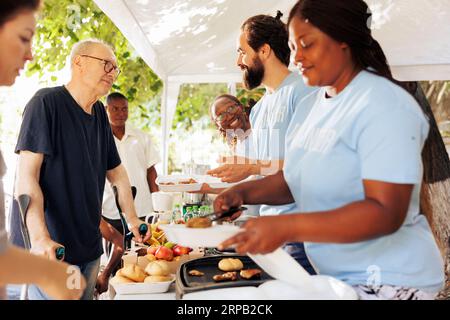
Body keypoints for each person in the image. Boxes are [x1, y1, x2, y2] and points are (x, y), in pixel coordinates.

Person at [216, 0, 445, 300]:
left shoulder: (384, 104)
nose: (296, 58)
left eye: (306, 45)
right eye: (293, 46)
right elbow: (294, 180)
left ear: (343, 42)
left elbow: (387, 211)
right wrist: (243, 194)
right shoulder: (315, 105)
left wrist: (287, 226)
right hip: (337, 279)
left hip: (390, 282)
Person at [9, 39, 151, 300]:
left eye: (115, 69)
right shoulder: (45, 103)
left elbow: (117, 173)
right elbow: (26, 179)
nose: (112, 73)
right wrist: (40, 239)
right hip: (50, 252)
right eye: (107, 64)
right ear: (79, 63)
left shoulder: (98, 112)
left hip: (88, 248)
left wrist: (132, 220)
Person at [207, 12, 316, 274]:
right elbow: (264, 171)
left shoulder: (304, 91)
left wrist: (252, 167)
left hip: (300, 234)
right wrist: (236, 198)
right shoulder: (259, 109)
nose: (238, 61)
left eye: (242, 52)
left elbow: (310, 167)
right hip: (269, 231)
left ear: (264, 51)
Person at [0, 0, 85, 300]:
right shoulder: (44, 104)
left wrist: (49, 272)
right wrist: (43, 255)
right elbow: (27, 180)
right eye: (24, 38)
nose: (30, 53)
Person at [102, 92, 160, 233]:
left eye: (124, 109)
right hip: (110, 209)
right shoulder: (99, 140)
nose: (120, 113)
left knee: (145, 252)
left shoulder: (142, 138)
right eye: (115, 109)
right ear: (105, 109)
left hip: (143, 207)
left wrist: (158, 206)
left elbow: (151, 172)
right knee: (117, 252)